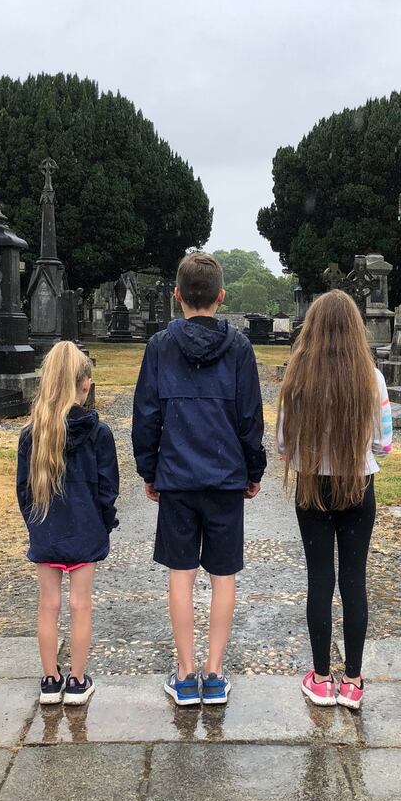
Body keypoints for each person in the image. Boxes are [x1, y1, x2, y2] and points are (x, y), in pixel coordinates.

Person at [132, 252, 266, 706]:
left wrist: (150, 469)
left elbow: (146, 415)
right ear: (220, 296)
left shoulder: (159, 347)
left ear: (177, 295)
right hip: (225, 476)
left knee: (181, 574)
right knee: (223, 576)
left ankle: (186, 673)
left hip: (178, 476)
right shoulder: (239, 348)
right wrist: (253, 469)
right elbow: (249, 418)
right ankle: (214, 671)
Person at [277, 290, 392, 710]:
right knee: (354, 579)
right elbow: (384, 444)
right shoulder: (371, 378)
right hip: (359, 484)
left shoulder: (297, 376)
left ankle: (322, 678)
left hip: (312, 486)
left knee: (320, 579)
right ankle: (354, 681)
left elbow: (284, 445)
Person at [16, 341, 119, 706]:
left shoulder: (31, 434)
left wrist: (35, 526)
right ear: (85, 383)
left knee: (48, 606)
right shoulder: (99, 434)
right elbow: (108, 489)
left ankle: (49, 679)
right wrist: (104, 524)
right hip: (86, 529)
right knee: (80, 605)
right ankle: (76, 680)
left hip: (47, 527)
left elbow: (24, 490)